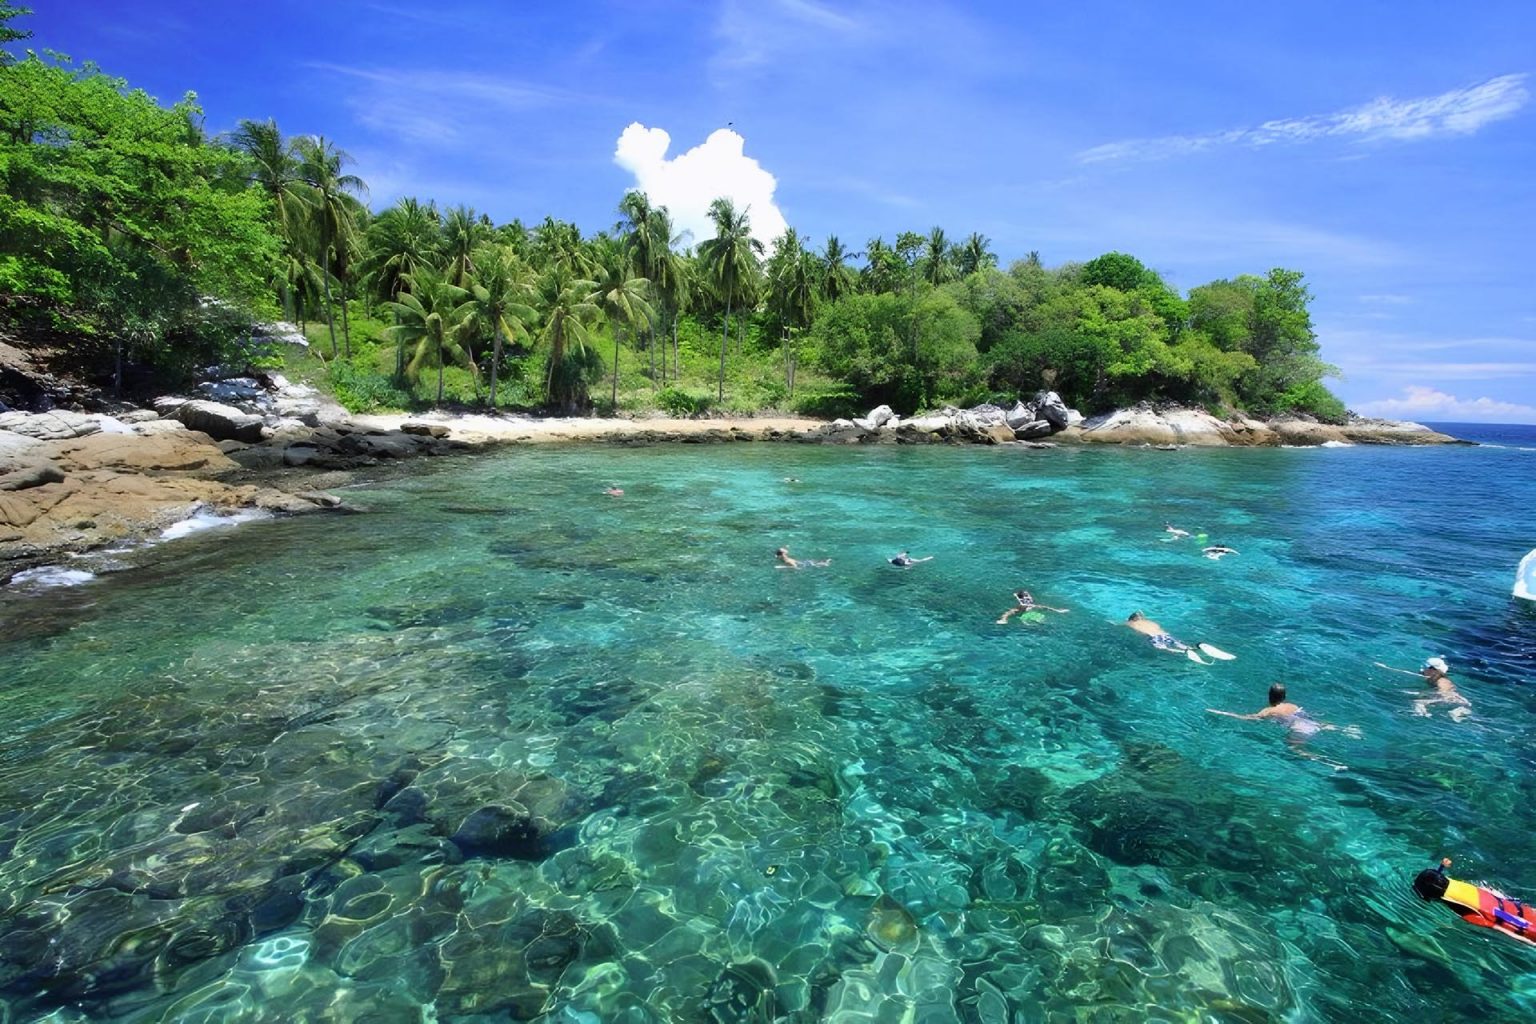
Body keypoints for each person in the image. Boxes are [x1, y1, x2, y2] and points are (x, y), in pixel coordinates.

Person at [1207, 682, 1358, 769]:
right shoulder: (1292, 705)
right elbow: (1304, 716)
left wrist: (1223, 713)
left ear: (1269, 696)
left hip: (1299, 730)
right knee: (1321, 725)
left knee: (1294, 749)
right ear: (1284, 697)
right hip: (1312, 723)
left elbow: (1247, 718)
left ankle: (1330, 764)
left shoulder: (1268, 711)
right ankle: (1346, 730)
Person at [1375, 656, 1470, 721]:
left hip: (1452, 698)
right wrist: (1385, 668)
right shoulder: (1433, 677)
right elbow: (1405, 673)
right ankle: (1427, 713)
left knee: (1418, 702)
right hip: (1454, 698)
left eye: (1426, 668)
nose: (1423, 670)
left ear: (1432, 669)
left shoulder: (1442, 680)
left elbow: (1445, 693)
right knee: (1420, 697)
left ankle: (1422, 715)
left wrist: (1432, 698)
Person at [1124, 611, 1232, 663]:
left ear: (1131, 619)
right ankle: (1193, 648)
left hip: (1153, 637)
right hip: (1166, 635)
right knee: (1181, 644)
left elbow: (1120, 624)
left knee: (1163, 648)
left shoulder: (1130, 624)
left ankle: (1183, 652)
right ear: (1142, 618)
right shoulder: (1151, 622)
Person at [996, 589, 1069, 623]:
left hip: (1025, 609)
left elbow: (1008, 613)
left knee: (1010, 612)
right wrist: (1058, 611)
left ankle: (1004, 620)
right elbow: (1045, 608)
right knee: (1011, 612)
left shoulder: (1021, 607)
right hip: (1028, 608)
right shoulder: (1029, 605)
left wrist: (1004, 619)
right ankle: (1058, 611)